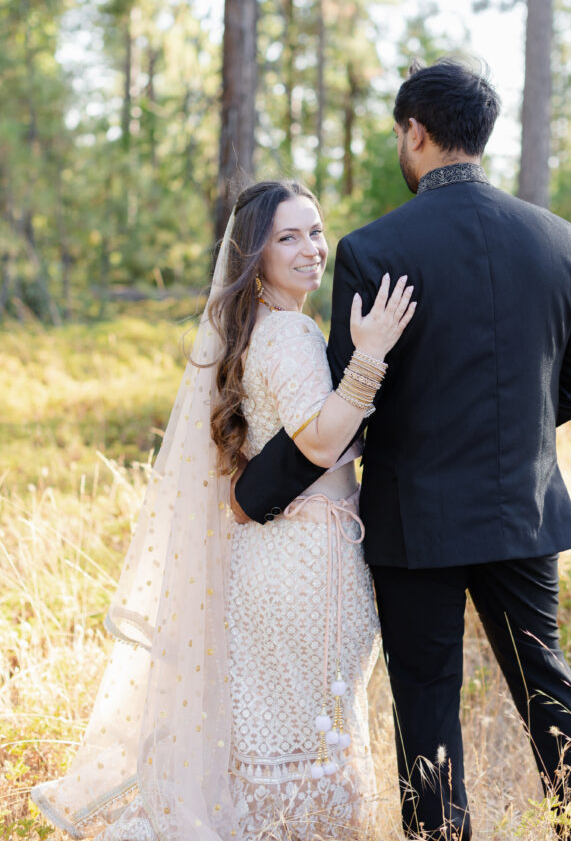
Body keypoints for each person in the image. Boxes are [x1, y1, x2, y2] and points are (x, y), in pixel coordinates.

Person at [234, 60, 571, 840]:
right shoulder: (560, 241)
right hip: (522, 510)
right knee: (547, 686)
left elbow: (348, 402)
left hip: (414, 521)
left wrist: (250, 493)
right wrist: (509, 445)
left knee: (426, 698)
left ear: (414, 131)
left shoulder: (373, 250)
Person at [31, 179, 416, 841]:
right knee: (310, 736)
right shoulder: (289, 332)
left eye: (316, 232)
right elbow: (320, 441)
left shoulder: (257, 329)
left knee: (274, 733)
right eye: (287, 238)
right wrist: (371, 356)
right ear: (253, 255)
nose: (310, 249)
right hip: (305, 561)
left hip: (269, 556)